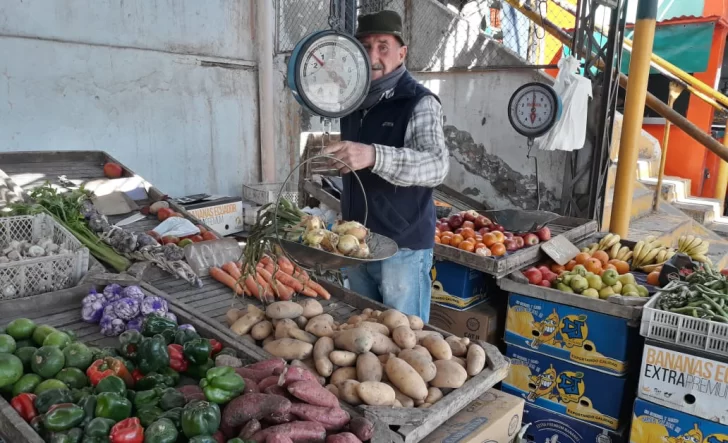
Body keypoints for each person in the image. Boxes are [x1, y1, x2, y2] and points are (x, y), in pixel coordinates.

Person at [323, 10, 449, 322]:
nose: (373, 56)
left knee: (404, 339)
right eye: (365, 47)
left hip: (401, 247)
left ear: (401, 53)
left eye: (383, 46)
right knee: (364, 329)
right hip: (357, 240)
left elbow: (436, 165)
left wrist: (374, 155)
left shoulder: (419, 102)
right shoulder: (353, 101)